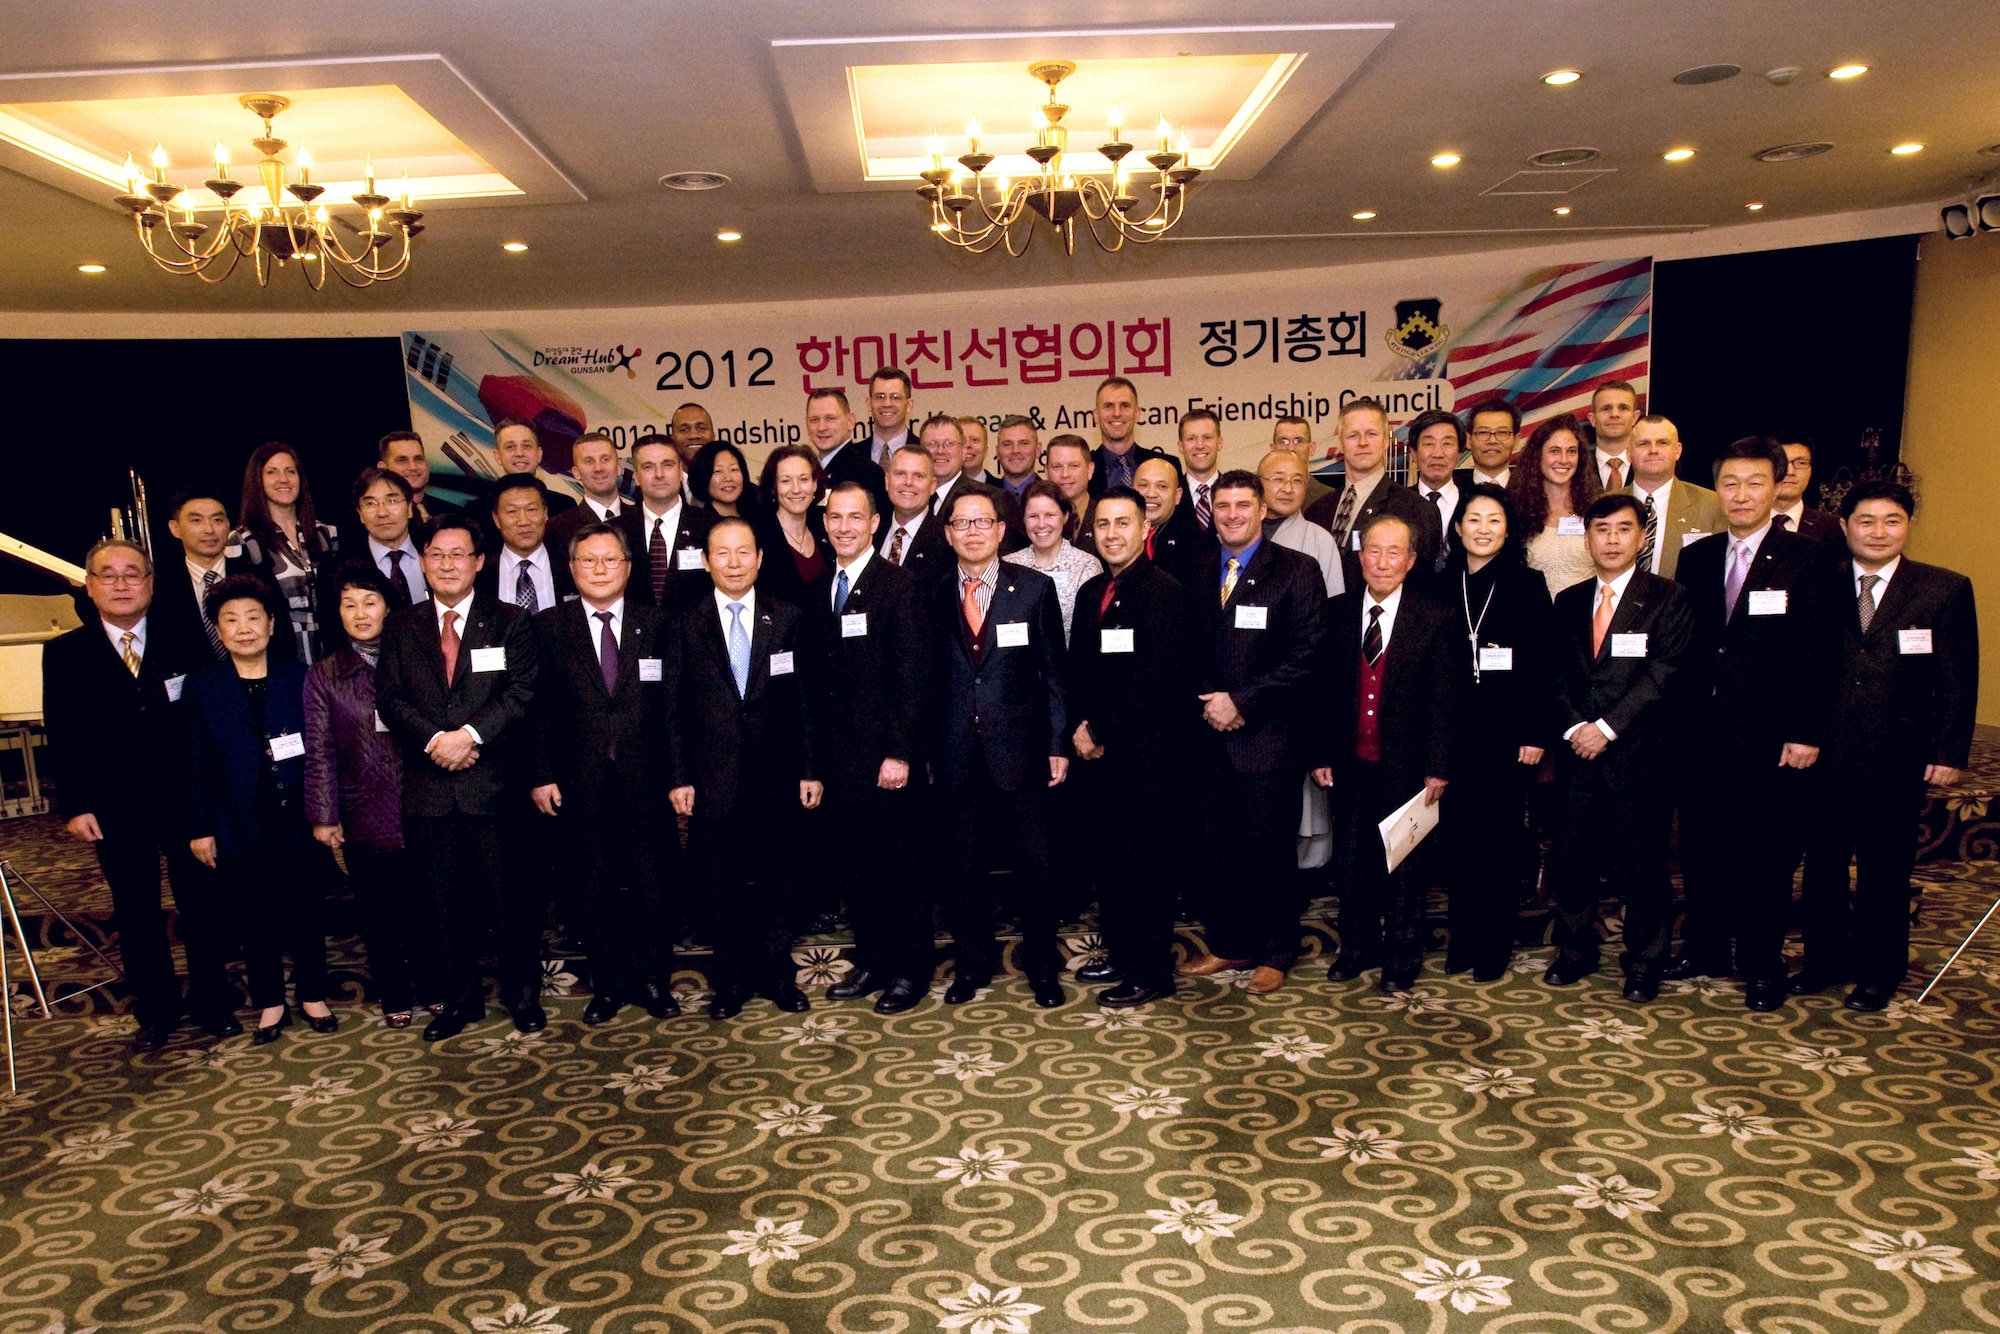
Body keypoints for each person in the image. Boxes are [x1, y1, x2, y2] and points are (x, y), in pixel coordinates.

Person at [43, 539, 240, 1049]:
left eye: (133, 574)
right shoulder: (65, 653)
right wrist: (75, 804)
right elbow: (61, 733)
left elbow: (207, 721)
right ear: (89, 586)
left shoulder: (186, 640)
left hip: (185, 800)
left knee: (200, 905)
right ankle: (156, 1010)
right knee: (136, 909)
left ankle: (212, 1002)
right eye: (109, 575)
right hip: (114, 807)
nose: (122, 584)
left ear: (152, 584)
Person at [1797, 481, 1978, 1011]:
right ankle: (1823, 960)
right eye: (1866, 521)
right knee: (1823, 865)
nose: (1879, 532)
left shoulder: (1942, 588)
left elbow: (1959, 678)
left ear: (1907, 526)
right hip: (1824, 750)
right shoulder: (1817, 582)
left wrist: (1949, 752)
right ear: (1845, 526)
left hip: (1898, 755)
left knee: (1885, 868)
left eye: (1892, 521)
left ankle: (1881, 970)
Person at [1670, 437, 1825, 1011]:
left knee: (1765, 853)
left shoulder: (1808, 558)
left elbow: (1816, 654)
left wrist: (1806, 730)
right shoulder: (1699, 556)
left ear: (1778, 486)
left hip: (1772, 737)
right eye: (1729, 484)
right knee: (1703, 845)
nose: (1740, 495)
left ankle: (1761, 961)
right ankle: (1706, 946)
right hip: (1702, 731)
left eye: (1754, 483)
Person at [376, 515, 542, 1041]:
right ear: (423, 562)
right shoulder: (402, 625)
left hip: (494, 787)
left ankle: (522, 998)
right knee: (443, 906)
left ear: (479, 561)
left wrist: (467, 735)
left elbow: (519, 694)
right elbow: (391, 698)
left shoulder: (511, 621)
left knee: (510, 901)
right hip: (429, 790)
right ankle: (460, 1001)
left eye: (458, 554)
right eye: (437, 554)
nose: (447, 564)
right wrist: (436, 742)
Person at [1177, 471, 1328, 995]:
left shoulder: (1297, 570)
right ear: (1211, 511)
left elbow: (1307, 654)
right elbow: (1181, 650)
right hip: (1206, 737)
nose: (1234, 514)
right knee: (1216, 849)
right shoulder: (1193, 570)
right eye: (1224, 505)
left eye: (1244, 504)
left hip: (1267, 737)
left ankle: (1276, 951)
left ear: (1262, 509)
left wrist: (1240, 702)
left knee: (1269, 851)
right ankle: (1228, 943)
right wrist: (1211, 702)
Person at [666, 517, 821, 1019]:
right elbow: (673, 709)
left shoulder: (789, 617)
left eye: (743, 553)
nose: (733, 563)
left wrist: (809, 769)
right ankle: (730, 982)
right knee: (721, 885)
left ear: (759, 558)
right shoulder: (684, 623)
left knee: (780, 881)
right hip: (712, 780)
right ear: (707, 561)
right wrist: (679, 776)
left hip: (776, 776)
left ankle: (778, 975)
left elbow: (804, 703)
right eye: (722, 553)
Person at [1545, 493, 1695, 1003]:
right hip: (1575, 756)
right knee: (1572, 860)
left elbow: (1663, 677)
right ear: (1586, 539)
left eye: (1622, 529)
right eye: (1601, 530)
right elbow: (1554, 679)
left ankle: (1645, 960)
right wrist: (1572, 729)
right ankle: (1574, 951)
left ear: (1641, 536)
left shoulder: (1669, 598)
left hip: (1638, 756)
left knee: (1643, 865)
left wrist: (1605, 728)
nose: (1611, 539)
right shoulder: (1567, 600)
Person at [529, 523, 681, 1024]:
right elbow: (538, 711)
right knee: (592, 887)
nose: (599, 569)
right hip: (579, 783)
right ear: (572, 569)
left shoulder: (657, 623)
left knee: (653, 886)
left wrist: (680, 776)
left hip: (647, 780)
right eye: (588, 561)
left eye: (610, 560)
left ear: (628, 568)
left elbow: (673, 710)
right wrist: (542, 773)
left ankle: (655, 981)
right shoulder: (550, 627)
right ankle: (609, 986)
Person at [930, 488, 1070, 1008]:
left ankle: (1042, 967)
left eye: (981, 521)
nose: (971, 531)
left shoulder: (1034, 589)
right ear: (947, 534)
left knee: (1036, 868)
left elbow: (1054, 674)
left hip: (1022, 752)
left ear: (1000, 530)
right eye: (961, 523)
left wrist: (1058, 742)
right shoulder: (931, 591)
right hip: (954, 754)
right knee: (963, 870)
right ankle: (972, 966)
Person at [184, 574, 332, 1044]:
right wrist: (201, 827)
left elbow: (323, 751)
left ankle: (313, 994)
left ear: (271, 624)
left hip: (298, 818)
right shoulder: (203, 686)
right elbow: (193, 761)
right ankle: (270, 1001)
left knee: (306, 909)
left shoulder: (301, 677)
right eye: (231, 619)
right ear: (219, 630)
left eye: (253, 617)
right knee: (253, 915)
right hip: (236, 821)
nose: (243, 628)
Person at [1068, 487, 1198, 1007]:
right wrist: (1079, 724)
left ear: (1144, 528)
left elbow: (1156, 681)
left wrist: (1098, 730)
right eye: (1103, 524)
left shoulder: (1164, 591)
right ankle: (1123, 956)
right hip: (1099, 761)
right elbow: (1079, 669)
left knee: (1147, 869)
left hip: (1148, 761)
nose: (1112, 534)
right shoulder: (1090, 591)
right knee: (1113, 866)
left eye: (1123, 523)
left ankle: (1150, 972)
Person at [1323, 513, 1462, 992]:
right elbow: (1319, 693)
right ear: (1360, 557)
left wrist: (1438, 766)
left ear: (1410, 561)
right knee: (1352, 860)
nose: (1381, 563)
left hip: (1408, 767)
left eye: (1393, 553)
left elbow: (1446, 699)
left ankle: (1402, 955)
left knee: (1404, 865)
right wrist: (1320, 754)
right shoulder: (1337, 612)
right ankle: (1355, 949)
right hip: (1348, 763)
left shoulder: (1435, 616)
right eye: (1373, 552)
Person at [812, 481, 931, 1014]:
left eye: (854, 518)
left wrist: (901, 752)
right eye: (835, 517)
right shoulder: (818, 589)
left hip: (886, 760)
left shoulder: (899, 585)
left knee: (900, 867)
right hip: (838, 763)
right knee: (855, 867)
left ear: (875, 523)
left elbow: (912, 676)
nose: (843, 527)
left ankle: (910, 970)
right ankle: (872, 960)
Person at [305, 563, 433, 1029]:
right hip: (365, 808)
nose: (360, 613)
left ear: (389, 606)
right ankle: (394, 992)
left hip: (423, 800)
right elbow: (319, 751)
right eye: (349, 604)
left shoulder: (419, 657)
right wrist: (324, 815)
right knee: (378, 913)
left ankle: (435, 984)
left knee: (427, 904)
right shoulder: (325, 674)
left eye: (370, 601)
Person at [1440, 485, 1556, 981]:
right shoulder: (1441, 583)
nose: (1482, 529)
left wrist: (1535, 732)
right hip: (1452, 734)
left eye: (1493, 520)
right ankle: (1462, 938)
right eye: (1473, 519)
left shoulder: (1528, 584)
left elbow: (1544, 667)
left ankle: (1494, 943)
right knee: (1459, 842)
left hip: (1509, 737)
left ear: (1507, 530)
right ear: (1458, 527)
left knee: (1501, 842)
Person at [1303, 399, 1443, 586]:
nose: (1362, 443)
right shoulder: (1318, 509)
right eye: (1353, 435)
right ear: (1341, 443)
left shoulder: (1416, 509)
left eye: (1371, 434)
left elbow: (1421, 587)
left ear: (1386, 441)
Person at [229, 440, 339, 662]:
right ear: (257, 481)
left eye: (290, 471)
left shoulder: (326, 534)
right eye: (272, 472)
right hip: (281, 659)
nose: (283, 479)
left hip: (334, 656)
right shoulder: (241, 541)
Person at [156, 488, 257, 667]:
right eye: (196, 520)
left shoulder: (256, 577)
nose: (209, 529)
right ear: (175, 528)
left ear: (228, 525)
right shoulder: (161, 588)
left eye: (217, 520)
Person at [617, 434, 712, 613]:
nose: (659, 474)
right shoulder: (615, 532)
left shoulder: (711, 527)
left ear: (680, 472)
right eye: (648, 467)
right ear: (636, 476)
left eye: (667, 465)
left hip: (696, 637)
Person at [1621, 415, 1723, 580]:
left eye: (1663, 443)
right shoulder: (1604, 504)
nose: (1653, 450)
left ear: (1678, 450)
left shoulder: (1712, 504)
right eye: (1643, 443)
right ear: (1629, 453)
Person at [1004, 480, 1103, 646]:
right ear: (1023, 519)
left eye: (1050, 515)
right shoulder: (1008, 566)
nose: (1041, 524)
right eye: (1033, 516)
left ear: (1064, 517)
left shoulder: (1087, 566)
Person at [1511, 414, 1596, 597]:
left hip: (1584, 619)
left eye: (1572, 451)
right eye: (1555, 451)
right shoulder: (1516, 510)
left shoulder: (1596, 510)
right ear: (1538, 455)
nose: (1564, 460)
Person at [474, 478, 577, 613]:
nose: (523, 521)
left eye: (531, 509)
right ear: (496, 519)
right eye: (512, 511)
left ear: (545, 513)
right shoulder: (479, 574)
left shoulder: (570, 566)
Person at [1258, 450, 1344, 596]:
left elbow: (1334, 605)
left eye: (1297, 481)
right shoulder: (1239, 533)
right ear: (1258, 483)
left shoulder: (1321, 540)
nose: (1288, 489)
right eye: (1278, 479)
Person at [755, 443, 830, 606]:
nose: (796, 490)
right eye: (786, 481)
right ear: (774, 487)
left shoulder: (826, 527)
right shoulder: (759, 536)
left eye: (803, 479)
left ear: (815, 484)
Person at [345, 467, 427, 613]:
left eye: (392, 500)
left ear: (409, 508)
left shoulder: (435, 554)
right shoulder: (341, 570)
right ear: (360, 513)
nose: (382, 512)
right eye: (371, 503)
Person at [808, 387, 891, 518]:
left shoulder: (867, 473)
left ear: (850, 421)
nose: (821, 427)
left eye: (830, 418)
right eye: (814, 420)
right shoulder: (807, 472)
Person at [1134, 456, 1212, 591]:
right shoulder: (1117, 538)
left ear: (1177, 496)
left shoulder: (1196, 545)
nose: (1151, 494)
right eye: (1143, 485)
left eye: (1162, 486)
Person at [547, 431, 629, 555]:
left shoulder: (643, 520)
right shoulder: (557, 528)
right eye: (589, 461)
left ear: (618, 467)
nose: (598, 468)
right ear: (576, 472)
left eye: (605, 459)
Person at [1407, 408, 1465, 569]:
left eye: (1447, 444)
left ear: (1459, 454)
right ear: (1413, 453)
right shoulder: (1397, 504)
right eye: (1428, 444)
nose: (1438, 453)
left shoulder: (1473, 503)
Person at [1088, 376, 1167, 494]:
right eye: (1108, 406)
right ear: (1096, 416)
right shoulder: (1082, 470)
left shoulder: (1166, 465)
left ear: (1137, 414)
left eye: (1125, 406)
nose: (1117, 413)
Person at [490, 418, 579, 521]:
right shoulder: (478, 511)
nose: (519, 453)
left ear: (539, 454)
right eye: (510, 447)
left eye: (527, 446)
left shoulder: (565, 507)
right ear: (498, 456)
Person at [1769, 432, 1845, 545]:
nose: (1789, 472)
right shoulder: (1741, 521)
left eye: (1801, 463)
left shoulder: (1835, 528)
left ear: (1811, 470)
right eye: (1781, 462)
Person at [379, 430, 459, 526]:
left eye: (418, 459)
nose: (413, 467)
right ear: (383, 468)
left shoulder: (453, 515)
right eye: (402, 460)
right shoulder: (373, 518)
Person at [1585, 380, 1641, 491]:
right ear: (1592, 419)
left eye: (1623, 408)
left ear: (1635, 417)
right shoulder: (1577, 465)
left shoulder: (1650, 463)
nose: (1614, 414)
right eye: (1606, 409)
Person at [1272, 416, 1334, 510]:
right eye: (1284, 441)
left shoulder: (1330, 498)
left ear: (1311, 448)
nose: (1291, 448)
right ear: (1273, 449)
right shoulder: (1259, 496)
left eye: (1298, 441)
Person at [1044, 435, 1096, 546]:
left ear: (1089, 470)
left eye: (1074, 466)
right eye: (1057, 467)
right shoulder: (1038, 523)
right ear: (1047, 472)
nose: (1065, 474)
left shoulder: (1104, 516)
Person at [1179, 410, 1225, 535]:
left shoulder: (1235, 493)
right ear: (1180, 446)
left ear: (1220, 443)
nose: (1200, 445)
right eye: (1191, 439)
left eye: (1207, 437)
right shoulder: (1170, 496)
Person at [690, 440, 757, 520]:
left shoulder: (757, 519)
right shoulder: (699, 525)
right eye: (718, 471)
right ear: (704, 478)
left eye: (734, 469)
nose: (728, 478)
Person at [1463, 400, 1520, 489]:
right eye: (1483, 432)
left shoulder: (1534, 492)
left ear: (1516, 441)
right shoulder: (1452, 493)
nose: (1492, 441)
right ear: (1469, 440)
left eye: (1502, 432)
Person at [865, 368, 915, 466]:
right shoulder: (850, 457)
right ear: (869, 404)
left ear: (909, 405)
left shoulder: (925, 452)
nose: (887, 404)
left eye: (895, 397)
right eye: (880, 397)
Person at [994, 415, 1042, 501]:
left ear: (1038, 450)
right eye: (1007, 444)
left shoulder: (1054, 497)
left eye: (1024, 443)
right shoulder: (984, 498)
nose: (1015, 450)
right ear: (997, 452)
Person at [668, 402, 717, 479]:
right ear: (673, 439)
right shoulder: (664, 487)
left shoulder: (728, 485)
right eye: (683, 430)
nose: (694, 435)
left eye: (701, 428)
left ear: (713, 437)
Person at [959, 417, 1002, 486]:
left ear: (985, 450)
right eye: (962, 440)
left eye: (975, 440)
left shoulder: (1003, 491)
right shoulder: (938, 491)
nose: (968, 445)